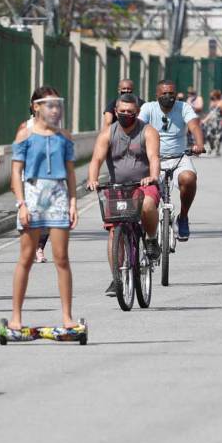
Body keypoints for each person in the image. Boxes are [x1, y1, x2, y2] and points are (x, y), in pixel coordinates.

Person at [9, 86, 79, 331]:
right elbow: (16, 172)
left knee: (61, 257)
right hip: (33, 193)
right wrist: (21, 204)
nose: (55, 109)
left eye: (57, 104)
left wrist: (72, 203)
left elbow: (70, 172)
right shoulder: (25, 135)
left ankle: (67, 316)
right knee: (26, 257)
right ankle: (16, 316)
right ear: (36, 107)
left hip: (58, 194)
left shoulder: (65, 137)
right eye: (49, 105)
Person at [87, 94, 163, 296]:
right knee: (114, 233)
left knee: (147, 205)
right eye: (122, 112)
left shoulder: (148, 131)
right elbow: (96, 160)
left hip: (144, 184)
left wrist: (153, 177)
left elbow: (154, 157)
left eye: (131, 112)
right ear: (115, 112)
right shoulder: (107, 134)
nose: (126, 115)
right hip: (117, 187)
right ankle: (116, 278)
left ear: (137, 113)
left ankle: (151, 239)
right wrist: (92, 179)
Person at [139, 80, 204, 241]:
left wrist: (199, 144)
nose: (168, 96)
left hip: (178, 158)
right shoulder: (148, 108)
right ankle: (150, 236)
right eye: (164, 93)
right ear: (157, 95)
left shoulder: (183, 107)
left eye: (171, 93)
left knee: (188, 178)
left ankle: (183, 217)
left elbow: (194, 125)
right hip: (153, 159)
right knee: (148, 200)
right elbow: (138, 126)